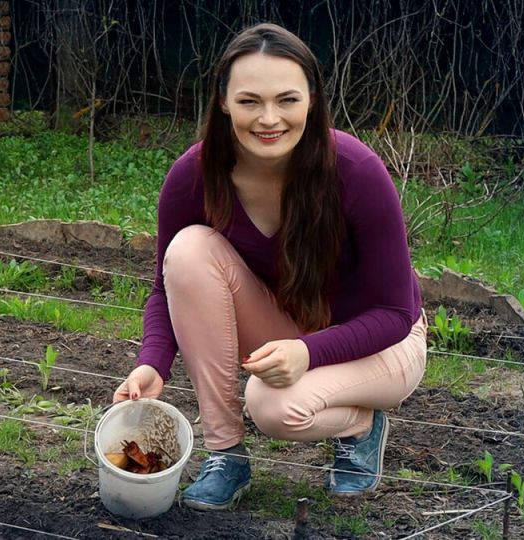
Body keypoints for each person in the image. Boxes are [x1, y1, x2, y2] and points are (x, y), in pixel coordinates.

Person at [112, 22, 427, 511]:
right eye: (249, 101)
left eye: (287, 100)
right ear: (222, 101)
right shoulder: (194, 176)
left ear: (313, 99)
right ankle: (225, 455)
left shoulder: (357, 172)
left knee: (273, 406)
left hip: (385, 343)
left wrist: (307, 352)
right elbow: (164, 286)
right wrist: (153, 362)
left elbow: (394, 312)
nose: (269, 119)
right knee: (189, 249)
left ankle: (363, 424)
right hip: (290, 323)